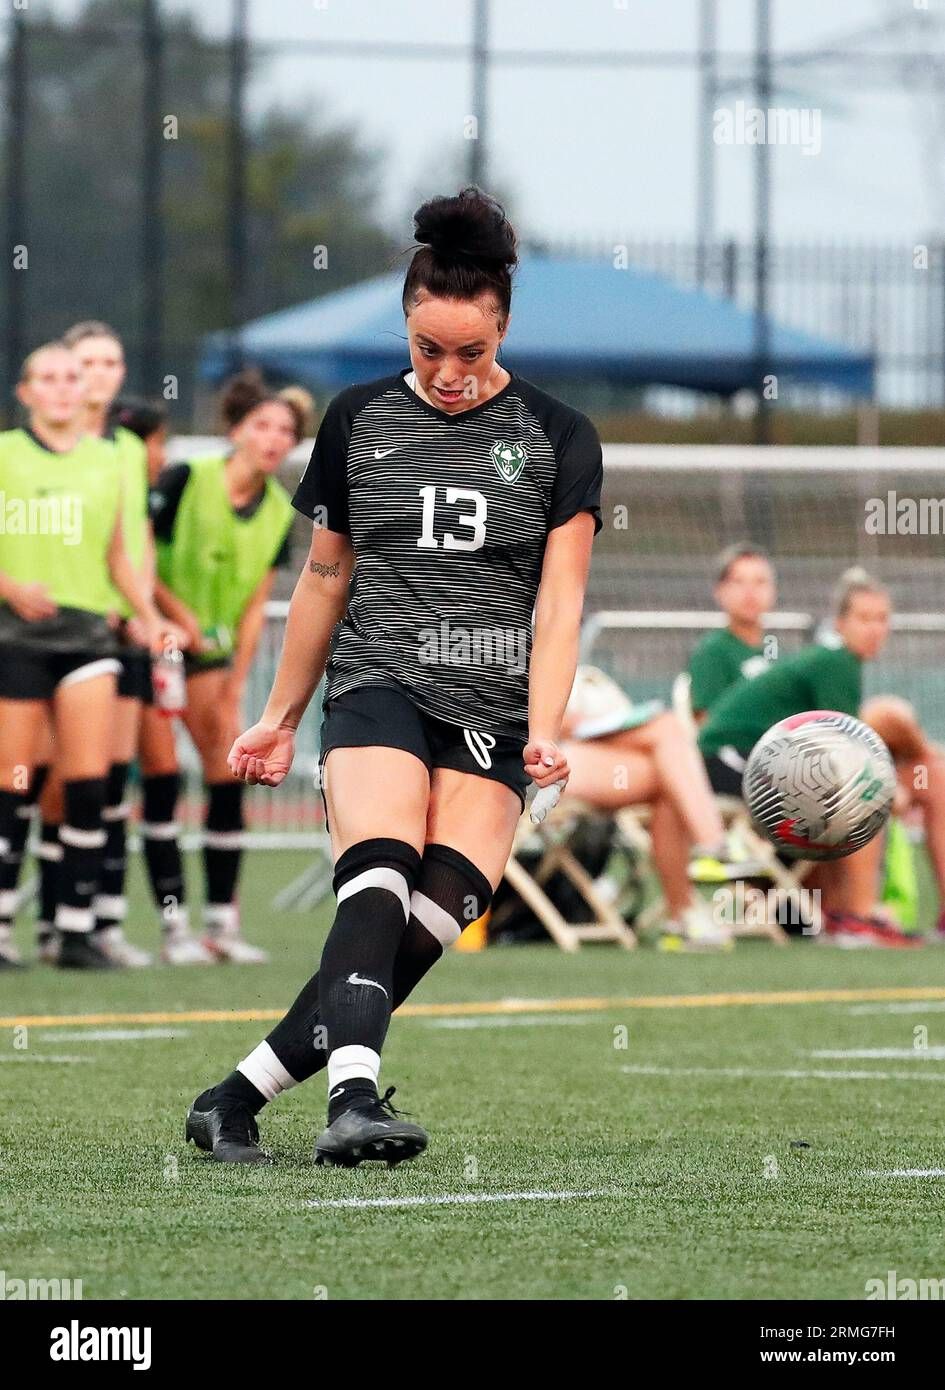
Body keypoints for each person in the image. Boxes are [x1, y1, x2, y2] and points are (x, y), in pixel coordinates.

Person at [185, 186, 601, 1166]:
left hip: (495, 703)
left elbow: (559, 602)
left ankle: (231, 1097)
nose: (449, 372)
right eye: (428, 349)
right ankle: (353, 1101)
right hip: (379, 679)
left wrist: (545, 724)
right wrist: (281, 715)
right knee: (378, 874)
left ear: (504, 328)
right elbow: (326, 576)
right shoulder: (354, 417)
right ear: (405, 325)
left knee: (431, 918)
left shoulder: (560, 435)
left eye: (472, 352)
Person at [0, 343, 171, 969]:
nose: (64, 388)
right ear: (25, 392)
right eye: (48, 377)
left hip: (88, 639)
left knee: (87, 780)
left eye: (72, 377)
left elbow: (120, 556)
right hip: (15, 637)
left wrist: (150, 619)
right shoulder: (6, 455)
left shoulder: (109, 461)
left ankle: (75, 932)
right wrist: (12, 588)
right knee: (14, 780)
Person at [139, 372, 304, 963]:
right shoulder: (187, 477)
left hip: (210, 657)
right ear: (235, 429)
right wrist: (177, 617)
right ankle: (172, 928)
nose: (274, 437)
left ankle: (222, 925)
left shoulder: (281, 511)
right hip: (150, 643)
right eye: (262, 425)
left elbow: (258, 606)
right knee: (160, 778)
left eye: (286, 429)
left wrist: (237, 684)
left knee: (226, 774)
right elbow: (136, 558)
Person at [698, 568, 930, 947]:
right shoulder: (835, 661)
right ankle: (857, 916)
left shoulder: (836, 661)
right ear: (841, 623)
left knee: (869, 784)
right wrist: (897, 792)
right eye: (864, 618)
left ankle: (843, 914)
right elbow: (851, 758)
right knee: (865, 792)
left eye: (882, 619)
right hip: (724, 759)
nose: (874, 629)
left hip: (750, 759)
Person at [558, 666, 763, 946]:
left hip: (585, 755)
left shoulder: (574, 664)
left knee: (669, 774)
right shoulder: (514, 651)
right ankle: (714, 846)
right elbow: (552, 722)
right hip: (542, 763)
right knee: (667, 734)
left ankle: (684, 912)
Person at [687, 544, 777, 723]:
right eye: (738, 582)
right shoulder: (712, 651)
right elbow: (707, 725)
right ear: (720, 591)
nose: (750, 592)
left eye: (760, 582)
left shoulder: (774, 648)